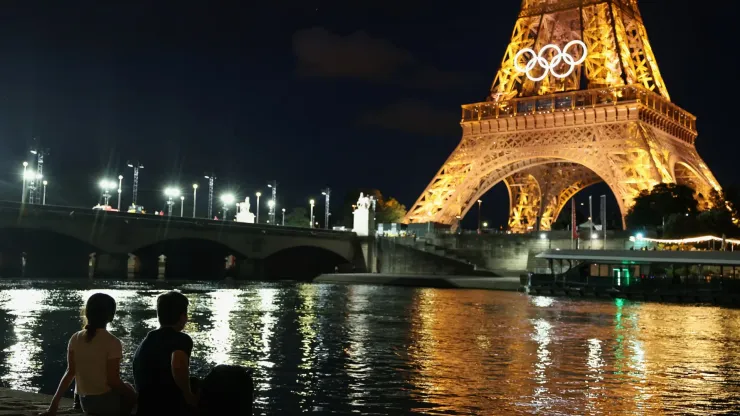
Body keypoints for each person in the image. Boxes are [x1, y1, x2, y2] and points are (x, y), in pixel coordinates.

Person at [41, 293, 137, 416]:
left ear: (87, 313)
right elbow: (113, 381)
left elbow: (70, 373)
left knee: (127, 388)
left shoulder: (75, 338)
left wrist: (53, 406)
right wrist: (134, 397)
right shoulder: (113, 342)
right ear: (111, 316)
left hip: (84, 402)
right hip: (104, 404)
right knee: (129, 391)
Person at [133, 291, 198, 415]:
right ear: (183, 316)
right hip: (166, 407)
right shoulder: (181, 339)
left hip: (145, 406)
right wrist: (188, 395)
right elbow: (178, 365)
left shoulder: (147, 339)